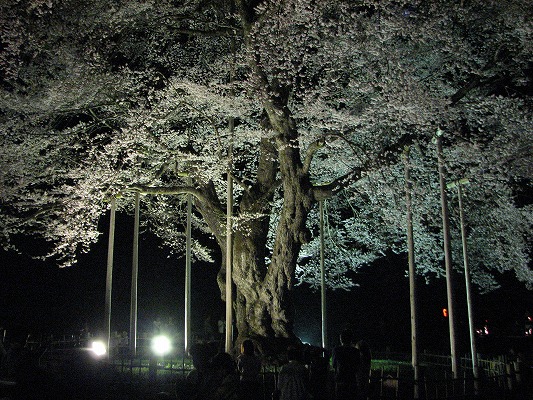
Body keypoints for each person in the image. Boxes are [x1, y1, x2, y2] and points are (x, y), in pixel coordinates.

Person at [332, 329, 361, 400]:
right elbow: (358, 366)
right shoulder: (356, 352)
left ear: (341, 339)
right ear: (351, 339)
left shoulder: (336, 350)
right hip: (352, 381)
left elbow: (334, 364)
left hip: (340, 380)